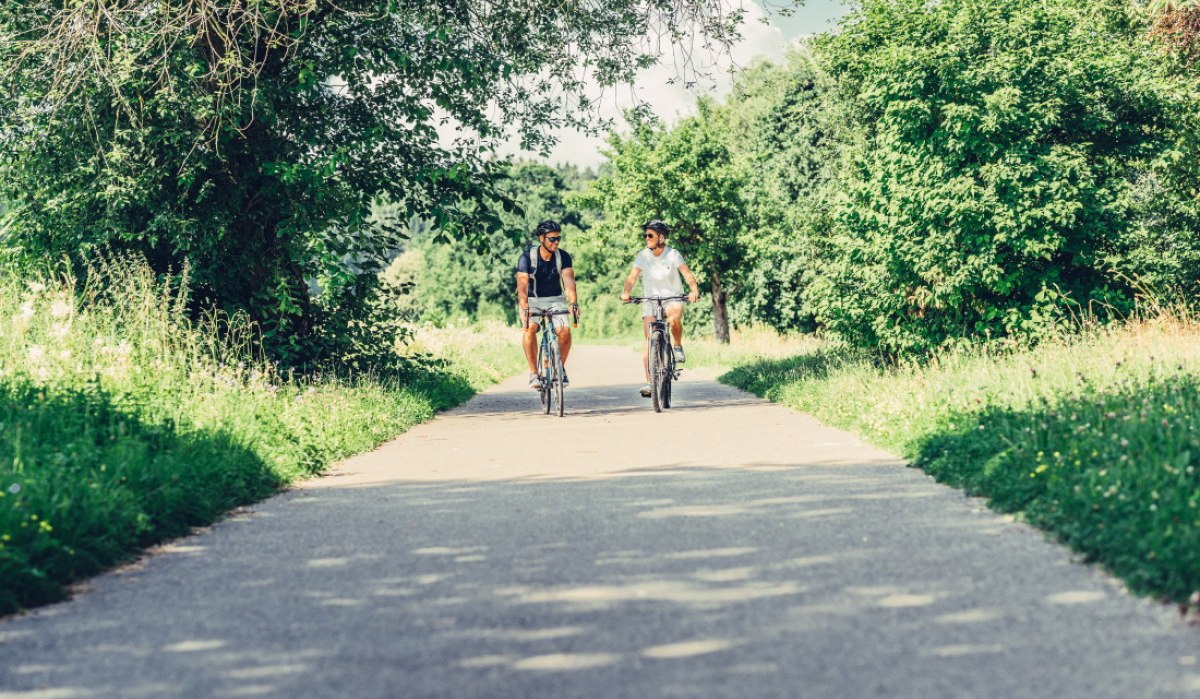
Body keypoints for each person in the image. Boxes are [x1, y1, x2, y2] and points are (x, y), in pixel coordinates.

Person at [620, 220, 700, 397]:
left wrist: (694, 290)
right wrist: (626, 292)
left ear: (661, 237)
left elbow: (687, 274)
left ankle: (677, 346)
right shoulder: (643, 255)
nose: (646, 238)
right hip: (651, 300)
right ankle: (650, 382)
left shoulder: (673, 254)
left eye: (650, 235)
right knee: (649, 341)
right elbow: (632, 278)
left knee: (674, 319)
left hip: (673, 297)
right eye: (645, 235)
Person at [516, 220, 579, 389]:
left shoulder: (563, 256)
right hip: (532, 299)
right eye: (552, 239)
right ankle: (533, 373)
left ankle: (559, 368)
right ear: (541, 239)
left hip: (556, 299)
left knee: (565, 332)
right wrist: (524, 307)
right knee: (530, 328)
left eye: (558, 238)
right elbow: (521, 286)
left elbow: (569, 282)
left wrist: (573, 303)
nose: (556, 242)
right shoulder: (527, 257)